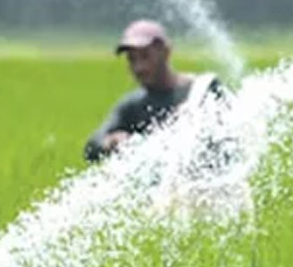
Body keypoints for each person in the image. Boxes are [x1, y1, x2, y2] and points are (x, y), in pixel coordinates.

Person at [83, 19, 225, 163]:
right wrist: (111, 142)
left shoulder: (202, 90)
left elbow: (226, 141)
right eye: (132, 59)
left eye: (146, 56)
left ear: (166, 52)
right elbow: (92, 147)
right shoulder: (134, 105)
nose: (139, 67)